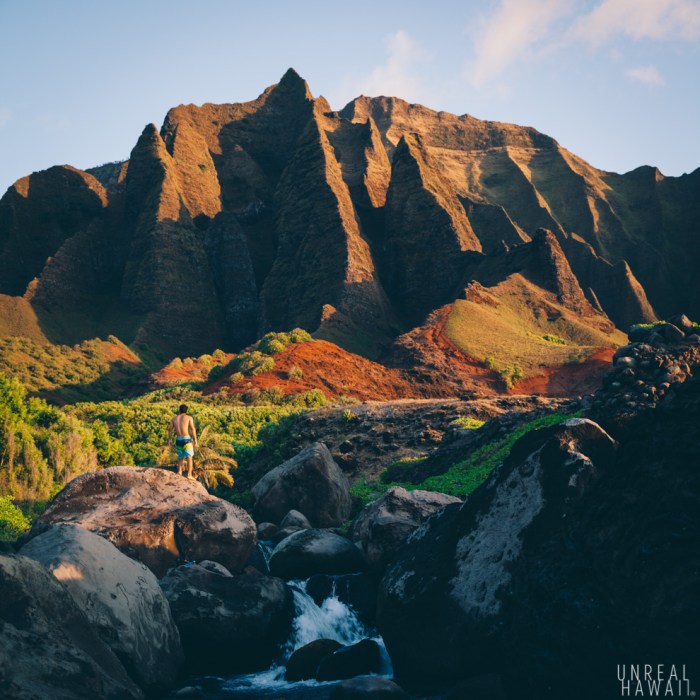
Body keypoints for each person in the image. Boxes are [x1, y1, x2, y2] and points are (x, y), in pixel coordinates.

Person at [168, 404, 198, 479]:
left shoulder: (174, 419)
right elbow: (192, 429)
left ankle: (179, 472)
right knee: (189, 457)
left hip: (178, 440)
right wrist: (195, 439)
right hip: (186, 439)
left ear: (179, 410)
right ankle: (189, 475)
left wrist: (169, 439)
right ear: (186, 411)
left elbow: (170, 429)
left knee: (180, 457)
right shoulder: (188, 418)